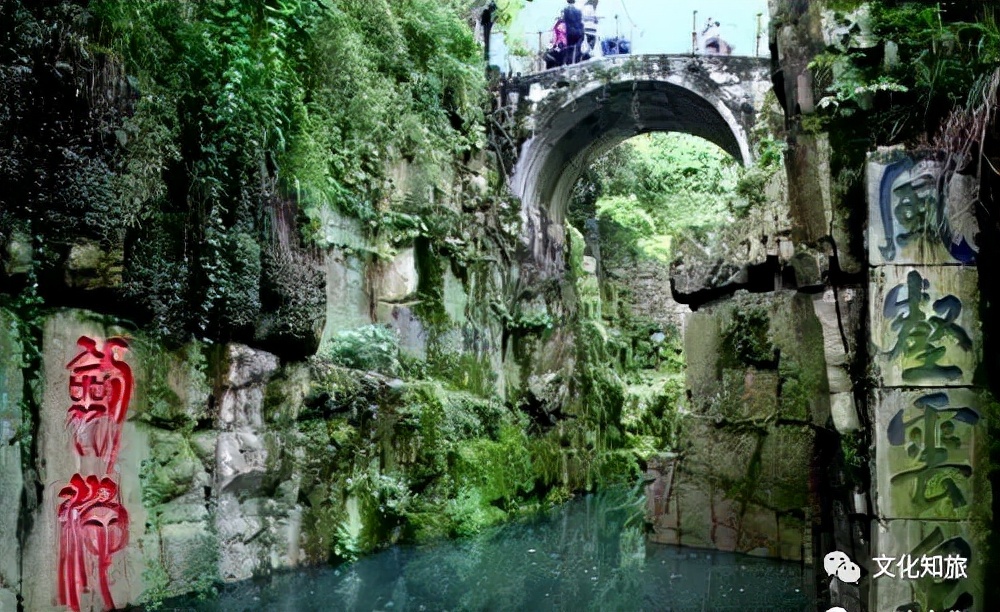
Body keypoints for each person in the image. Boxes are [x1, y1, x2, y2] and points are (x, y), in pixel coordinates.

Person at [561, 0, 584, 65]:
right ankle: (576, 62)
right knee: (577, 48)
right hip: (578, 31)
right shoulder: (578, 11)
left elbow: (565, 21)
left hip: (570, 32)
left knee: (569, 48)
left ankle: (569, 63)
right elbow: (580, 22)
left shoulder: (566, 10)